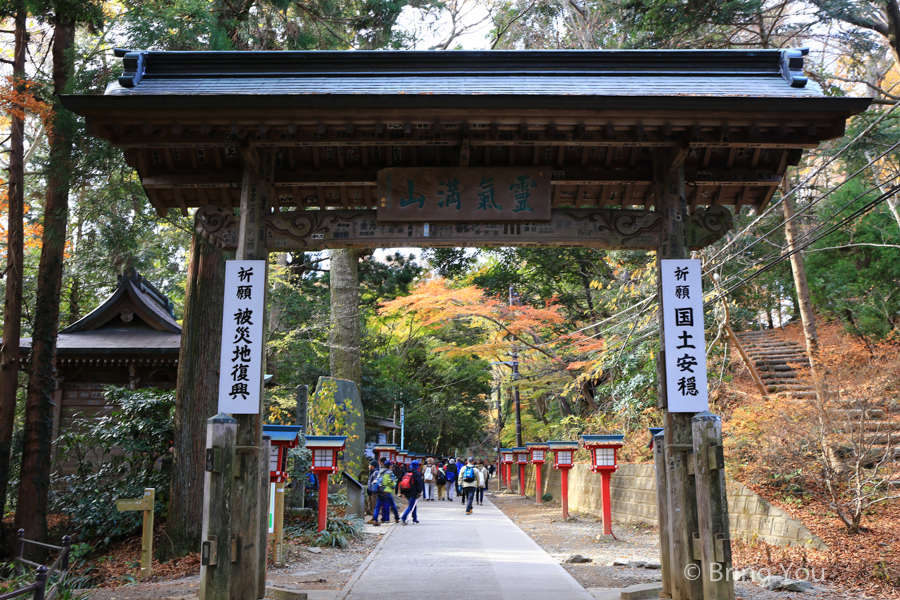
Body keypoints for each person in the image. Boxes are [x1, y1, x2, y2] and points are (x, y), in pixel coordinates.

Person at [372, 460, 400, 525]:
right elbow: (392, 483)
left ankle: (375, 520)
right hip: (386, 492)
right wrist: (394, 484)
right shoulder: (389, 473)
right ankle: (396, 518)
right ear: (389, 466)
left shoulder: (380, 472)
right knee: (393, 505)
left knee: (377, 507)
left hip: (379, 492)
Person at [399, 460, 424, 524]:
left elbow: (402, 482)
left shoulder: (406, 473)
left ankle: (415, 519)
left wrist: (402, 492)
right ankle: (403, 518)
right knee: (411, 506)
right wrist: (419, 492)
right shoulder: (417, 474)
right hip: (413, 492)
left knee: (413, 505)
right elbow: (419, 484)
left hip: (406, 491)